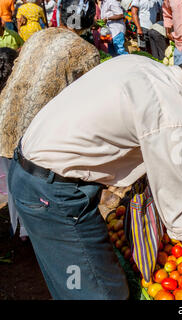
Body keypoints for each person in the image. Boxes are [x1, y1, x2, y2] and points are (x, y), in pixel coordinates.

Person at [8, 42, 182, 299]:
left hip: (30, 170)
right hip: (51, 192)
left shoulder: (138, 64)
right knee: (98, 293)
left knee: (75, 280)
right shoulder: (172, 113)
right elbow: (177, 211)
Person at [0, 0, 99, 242]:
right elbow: (85, 100)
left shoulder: (37, 36)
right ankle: (38, 238)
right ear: (91, 20)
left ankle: (21, 232)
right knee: (39, 188)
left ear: (60, 14)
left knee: (14, 181)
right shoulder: (87, 52)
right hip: (37, 132)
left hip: (5, 117)